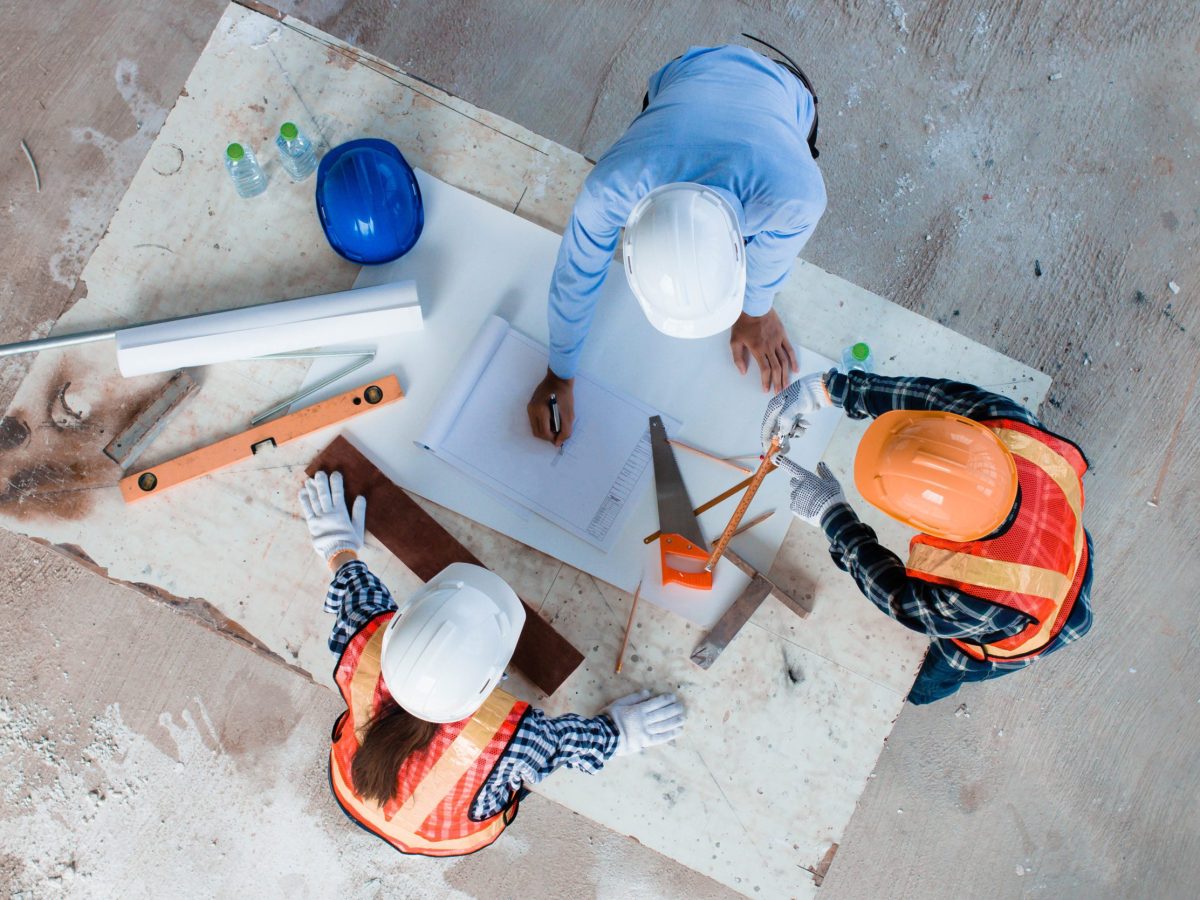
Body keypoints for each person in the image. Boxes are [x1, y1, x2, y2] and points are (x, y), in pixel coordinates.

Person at [297, 470, 685, 856]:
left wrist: (338, 546)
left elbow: (355, 594)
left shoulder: (363, 645)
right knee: (519, 774)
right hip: (442, 837)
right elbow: (562, 746)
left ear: (399, 625)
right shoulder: (509, 738)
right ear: (493, 681)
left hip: (351, 789)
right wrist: (619, 733)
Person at [528, 42, 826, 446]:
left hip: (783, 90)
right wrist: (558, 372)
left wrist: (755, 312)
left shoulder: (793, 195)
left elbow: (771, 258)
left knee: (768, 222)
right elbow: (576, 273)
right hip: (685, 73)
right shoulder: (611, 188)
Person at [761, 369, 1094, 704]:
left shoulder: (973, 598)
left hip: (1036, 626)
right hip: (1065, 543)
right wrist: (823, 390)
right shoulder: (1002, 425)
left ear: (937, 528)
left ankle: (921, 693)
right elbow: (931, 397)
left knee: (932, 675)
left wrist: (832, 517)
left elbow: (896, 595)